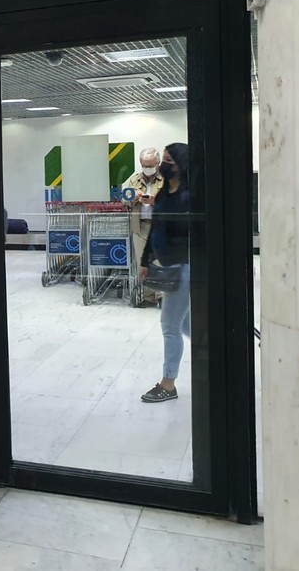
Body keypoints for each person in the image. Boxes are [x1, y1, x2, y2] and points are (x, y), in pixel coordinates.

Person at [138, 142, 191, 403]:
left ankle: (168, 384)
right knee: (187, 324)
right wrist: (145, 259)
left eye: (170, 161)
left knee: (170, 325)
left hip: (184, 267)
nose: (164, 166)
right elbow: (155, 228)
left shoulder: (190, 197)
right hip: (167, 265)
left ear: (182, 165)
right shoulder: (164, 194)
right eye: (164, 161)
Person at [123, 148, 165, 305]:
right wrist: (132, 199)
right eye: (144, 165)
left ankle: (161, 296)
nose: (147, 168)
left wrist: (156, 201)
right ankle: (148, 296)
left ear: (158, 163)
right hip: (139, 227)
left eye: (150, 165)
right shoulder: (134, 180)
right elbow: (124, 201)